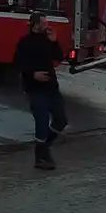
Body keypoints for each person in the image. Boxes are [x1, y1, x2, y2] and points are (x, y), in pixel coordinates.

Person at [14, 12, 68, 170]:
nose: (47, 25)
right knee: (42, 121)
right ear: (35, 25)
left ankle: (46, 146)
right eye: (44, 23)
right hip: (34, 87)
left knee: (61, 119)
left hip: (51, 86)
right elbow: (17, 63)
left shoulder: (47, 40)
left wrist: (54, 41)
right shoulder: (25, 42)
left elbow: (58, 56)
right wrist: (33, 74)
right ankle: (40, 156)